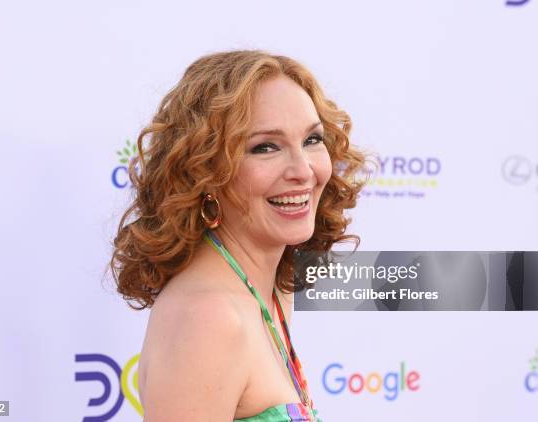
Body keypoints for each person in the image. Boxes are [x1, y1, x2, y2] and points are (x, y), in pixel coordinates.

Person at [111, 50, 364, 421]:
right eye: (265, 147)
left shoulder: (271, 290)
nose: (303, 170)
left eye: (312, 139)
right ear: (205, 170)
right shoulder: (208, 318)